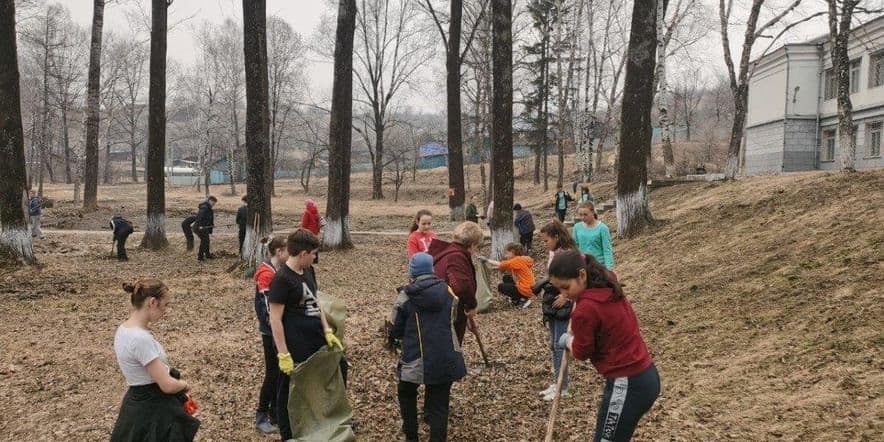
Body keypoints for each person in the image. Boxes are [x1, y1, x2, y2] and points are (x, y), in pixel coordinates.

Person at [551, 251, 660, 441]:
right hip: (645, 374)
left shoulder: (585, 310)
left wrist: (568, 341)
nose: (563, 294)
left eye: (566, 287)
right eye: (559, 289)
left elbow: (582, 351)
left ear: (582, 275)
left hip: (627, 383)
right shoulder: (607, 283)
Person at [268, 229, 344, 441]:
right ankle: (288, 434)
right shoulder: (282, 279)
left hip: (315, 338)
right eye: (313, 254)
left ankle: (318, 420)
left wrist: (327, 329)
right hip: (294, 344)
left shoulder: (308, 271)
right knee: (289, 389)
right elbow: (274, 319)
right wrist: (283, 354)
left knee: (338, 367)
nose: (315, 257)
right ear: (303, 253)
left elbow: (315, 301)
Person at [390, 252, 467, 442]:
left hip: (416, 357)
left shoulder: (406, 295)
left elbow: (395, 328)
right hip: (445, 356)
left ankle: (412, 436)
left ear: (412, 272)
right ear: (432, 270)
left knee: (406, 393)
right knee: (439, 406)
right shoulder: (448, 291)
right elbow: (454, 317)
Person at [111, 279, 200, 441]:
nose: (166, 310)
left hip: (135, 403)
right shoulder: (140, 339)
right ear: (152, 302)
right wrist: (184, 385)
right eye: (165, 305)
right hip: (152, 408)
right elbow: (166, 385)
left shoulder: (123, 330)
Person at [537, 220, 577, 401]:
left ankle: (563, 386)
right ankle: (556, 382)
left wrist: (566, 296)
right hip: (551, 302)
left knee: (561, 344)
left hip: (563, 304)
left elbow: (577, 278)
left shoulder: (568, 255)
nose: (545, 245)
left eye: (546, 241)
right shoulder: (554, 253)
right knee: (553, 344)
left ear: (556, 237)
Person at [253, 236, 288, 434]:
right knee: (272, 372)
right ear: (278, 252)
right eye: (286, 250)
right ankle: (261, 414)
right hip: (270, 330)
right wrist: (275, 324)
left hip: (278, 328)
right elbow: (267, 307)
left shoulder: (278, 270)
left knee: (280, 372)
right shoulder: (266, 274)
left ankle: (275, 411)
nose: (289, 254)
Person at [427, 222, 483, 345]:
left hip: (439, 308)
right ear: (473, 245)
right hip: (447, 311)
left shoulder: (447, 252)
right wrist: (471, 306)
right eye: (476, 247)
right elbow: (461, 286)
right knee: (449, 347)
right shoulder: (456, 257)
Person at [482, 243, 535, 309]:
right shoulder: (521, 259)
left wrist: (487, 260)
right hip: (529, 287)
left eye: (507, 253)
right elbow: (505, 266)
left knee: (501, 287)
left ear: (512, 252)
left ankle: (523, 299)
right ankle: (517, 298)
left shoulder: (516, 260)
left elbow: (501, 264)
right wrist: (495, 268)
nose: (505, 255)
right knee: (506, 278)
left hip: (526, 289)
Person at [572, 201, 614, 270]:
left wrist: (609, 270)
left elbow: (607, 250)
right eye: (580, 215)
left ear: (593, 212)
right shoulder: (577, 227)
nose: (582, 217)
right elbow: (574, 247)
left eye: (585, 214)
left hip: (599, 267)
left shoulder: (603, 228)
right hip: (583, 267)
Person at [194, 196, 217, 262]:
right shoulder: (204, 207)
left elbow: (208, 218)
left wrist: (211, 225)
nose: (213, 204)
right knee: (204, 241)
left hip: (204, 227)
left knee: (206, 241)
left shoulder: (208, 208)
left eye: (214, 203)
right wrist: (200, 225)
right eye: (213, 202)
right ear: (209, 200)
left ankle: (207, 255)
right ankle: (200, 258)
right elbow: (199, 217)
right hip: (200, 228)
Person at [300, 198, 322, 263]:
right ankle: (316, 259)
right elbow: (318, 222)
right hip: (315, 232)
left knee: (309, 246)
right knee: (315, 245)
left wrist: (301, 230)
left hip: (308, 232)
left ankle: (309, 259)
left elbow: (304, 224)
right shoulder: (316, 211)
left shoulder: (307, 212)